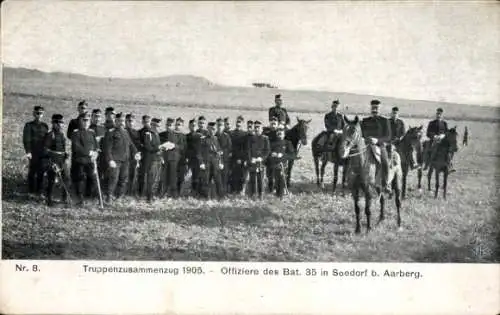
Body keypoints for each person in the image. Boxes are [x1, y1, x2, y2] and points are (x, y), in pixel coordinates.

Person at [102, 113, 140, 203]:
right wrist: (110, 160)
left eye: (123, 121)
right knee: (113, 178)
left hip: (125, 160)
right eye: (119, 121)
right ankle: (109, 196)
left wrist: (136, 152)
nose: (121, 123)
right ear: (115, 121)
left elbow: (131, 144)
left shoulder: (125, 132)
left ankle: (119, 196)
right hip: (115, 160)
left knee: (123, 179)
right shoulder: (110, 132)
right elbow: (107, 149)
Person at [360, 99, 392, 194]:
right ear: (371, 108)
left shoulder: (385, 121)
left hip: (379, 145)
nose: (374, 109)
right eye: (373, 108)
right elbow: (361, 134)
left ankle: (386, 184)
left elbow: (388, 136)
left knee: (385, 162)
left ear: (379, 109)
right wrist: (363, 139)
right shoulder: (365, 121)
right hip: (366, 145)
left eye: (376, 108)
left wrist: (377, 140)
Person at [70, 112, 99, 206]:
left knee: (92, 178)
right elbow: (77, 148)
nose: (86, 122)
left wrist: (96, 153)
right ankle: (80, 199)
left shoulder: (92, 132)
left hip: (90, 160)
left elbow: (96, 145)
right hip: (79, 160)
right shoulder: (75, 133)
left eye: (88, 120)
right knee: (80, 179)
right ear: (80, 121)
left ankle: (89, 198)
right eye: (84, 120)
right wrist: (90, 153)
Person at [43, 114, 70, 206]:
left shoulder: (62, 135)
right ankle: (49, 199)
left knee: (66, 178)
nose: (59, 124)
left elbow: (63, 149)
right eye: (57, 122)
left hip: (62, 160)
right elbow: (46, 150)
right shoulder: (50, 135)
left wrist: (66, 157)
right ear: (53, 123)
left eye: (61, 122)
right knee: (51, 179)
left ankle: (64, 199)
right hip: (53, 160)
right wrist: (51, 163)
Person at [23, 105, 49, 197]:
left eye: (41, 113)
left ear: (43, 114)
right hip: (33, 152)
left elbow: (47, 139)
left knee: (41, 171)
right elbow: (26, 140)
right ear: (34, 114)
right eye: (37, 113)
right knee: (32, 171)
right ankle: (31, 191)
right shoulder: (29, 125)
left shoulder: (45, 126)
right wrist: (28, 151)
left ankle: (39, 191)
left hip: (42, 152)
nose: (39, 115)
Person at [197, 122, 224, 199]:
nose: (212, 131)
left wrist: (221, 162)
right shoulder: (203, 139)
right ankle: (205, 197)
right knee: (205, 180)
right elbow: (199, 152)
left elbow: (219, 151)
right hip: (206, 163)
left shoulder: (216, 139)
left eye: (213, 129)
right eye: (210, 129)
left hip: (215, 162)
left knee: (218, 180)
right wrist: (201, 162)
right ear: (207, 129)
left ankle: (220, 197)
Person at [138, 116, 162, 202]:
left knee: (155, 178)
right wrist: (158, 148)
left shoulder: (156, 133)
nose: (157, 127)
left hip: (157, 159)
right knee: (151, 178)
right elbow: (148, 147)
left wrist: (160, 150)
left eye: (158, 126)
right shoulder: (148, 134)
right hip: (151, 159)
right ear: (151, 125)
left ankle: (152, 195)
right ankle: (149, 197)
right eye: (155, 125)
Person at [268, 125, 295, 198]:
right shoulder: (271, 144)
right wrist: (271, 154)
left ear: (284, 134)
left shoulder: (287, 143)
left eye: (281, 134)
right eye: (278, 133)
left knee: (281, 180)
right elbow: (267, 154)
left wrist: (282, 155)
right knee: (274, 181)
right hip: (273, 166)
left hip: (283, 166)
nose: (279, 135)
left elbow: (292, 155)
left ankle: (281, 195)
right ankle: (274, 192)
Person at [158, 118, 182, 198]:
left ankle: (173, 195)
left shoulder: (179, 135)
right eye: (167, 125)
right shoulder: (161, 134)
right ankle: (162, 193)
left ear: (173, 126)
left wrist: (174, 146)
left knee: (173, 177)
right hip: (164, 158)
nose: (168, 127)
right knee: (163, 177)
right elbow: (158, 146)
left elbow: (182, 147)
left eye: (170, 125)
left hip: (174, 159)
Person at [247, 120, 270, 199]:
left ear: (262, 129)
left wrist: (262, 158)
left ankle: (261, 194)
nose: (257, 129)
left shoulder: (265, 138)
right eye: (255, 127)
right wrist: (251, 159)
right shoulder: (251, 138)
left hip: (261, 162)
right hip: (253, 161)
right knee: (252, 178)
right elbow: (249, 150)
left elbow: (267, 151)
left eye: (258, 127)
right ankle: (252, 193)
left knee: (260, 178)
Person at [230, 115, 248, 194]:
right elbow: (230, 146)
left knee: (242, 175)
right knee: (233, 174)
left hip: (242, 158)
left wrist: (241, 158)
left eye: (240, 122)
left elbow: (245, 148)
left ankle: (240, 190)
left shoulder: (245, 134)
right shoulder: (231, 133)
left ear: (243, 123)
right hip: (233, 157)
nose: (238, 124)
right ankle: (233, 190)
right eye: (237, 122)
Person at [125, 113, 141, 196]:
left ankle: (130, 192)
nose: (130, 123)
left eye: (132, 121)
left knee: (132, 174)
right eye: (129, 121)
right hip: (124, 156)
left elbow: (138, 144)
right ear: (126, 121)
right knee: (123, 175)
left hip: (133, 156)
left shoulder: (136, 132)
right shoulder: (123, 131)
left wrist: (137, 154)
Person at [216, 117, 232, 194]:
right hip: (215, 159)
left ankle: (223, 193)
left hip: (224, 159)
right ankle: (217, 193)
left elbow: (229, 148)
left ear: (223, 126)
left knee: (224, 177)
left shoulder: (226, 136)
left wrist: (223, 152)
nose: (219, 127)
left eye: (221, 125)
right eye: (218, 125)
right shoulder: (214, 135)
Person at [263, 117, 279, 192]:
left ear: (277, 124)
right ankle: (270, 187)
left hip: (277, 156)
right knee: (269, 174)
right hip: (268, 156)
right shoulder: (266, 132)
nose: (273, 125)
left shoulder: (280, 133)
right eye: (272, 123)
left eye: (275, 124)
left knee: (276, 173)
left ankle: (276, 186)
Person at [185, 119, 199, 196]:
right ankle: (184, 190)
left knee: (196, 176)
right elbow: (185, 148)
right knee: (186, 175)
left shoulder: (199, 136)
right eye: (191, 125)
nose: (193, 127)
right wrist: (186, 157)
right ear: (189, 126)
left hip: (197, 159)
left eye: (194, 125)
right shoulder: (186, 136)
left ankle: (194, 192)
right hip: (189, 158)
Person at [174, 117, 187, 196]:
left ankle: (178, 192)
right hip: (173, 159)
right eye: (176, 124)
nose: (177, 126)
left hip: (181, 159)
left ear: (182, 126)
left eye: (179, 125)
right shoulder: (172, 134)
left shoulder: (184, 136)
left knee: (180, 177)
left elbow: (185, 148)